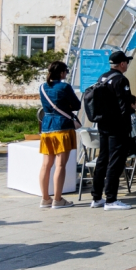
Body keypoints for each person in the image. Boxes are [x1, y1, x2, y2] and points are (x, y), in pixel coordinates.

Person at [91, 51, 136, 211]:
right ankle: (111, 199)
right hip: (117, 127)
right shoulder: (121, 79)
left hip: (103, 124)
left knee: (102, 160)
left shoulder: (102, 77)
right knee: (115, 162)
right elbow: (124, 105)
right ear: (122, 64)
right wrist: (128, 121)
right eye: (126, 62)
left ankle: (97, 197)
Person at [38, 61, 80, 209]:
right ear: (61, 73)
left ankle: (45, 198)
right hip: (63, 127)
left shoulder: (42, 87)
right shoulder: (64, 87)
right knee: (60, 165)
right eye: (66, 71)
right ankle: (57, 199)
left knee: (46, 165)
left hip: (47, 126)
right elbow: (77, 105)